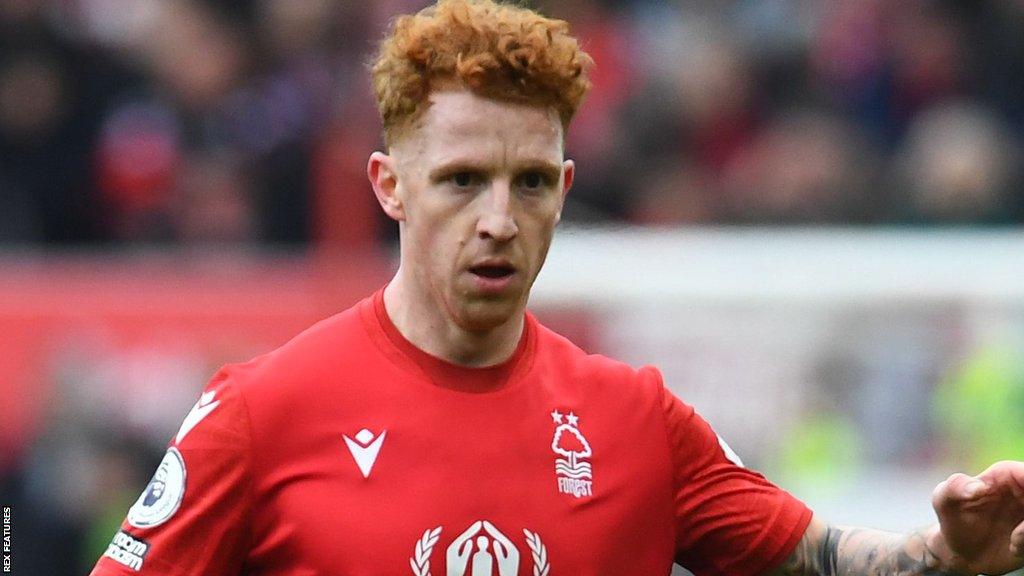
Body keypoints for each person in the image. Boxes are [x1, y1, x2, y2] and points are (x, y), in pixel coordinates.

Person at [90, 1, 1024, 574]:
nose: (499, 217)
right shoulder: (262, 412)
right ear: (390, 186)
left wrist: (941, 555)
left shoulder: (636, 419)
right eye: (462, 180)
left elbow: (816, 555)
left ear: (564, 191)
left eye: (531, 182)